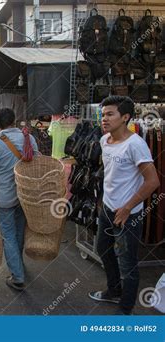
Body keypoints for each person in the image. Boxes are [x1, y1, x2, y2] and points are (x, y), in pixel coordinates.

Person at [89, 96, 159, 315]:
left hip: (129, 214)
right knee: (103, 248)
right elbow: (111, 176)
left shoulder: (136, 144)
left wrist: (128, 207)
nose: (104, 118)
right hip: (108, 209)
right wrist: (103, 201)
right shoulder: (104, 140)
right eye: (103, 114)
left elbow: (153, 181)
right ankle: (114, 290)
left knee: (127, 262)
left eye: (110, 114)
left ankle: (125, 308)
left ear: (126, 117)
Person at [0, 107, 38, 291]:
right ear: (14, 120)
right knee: (20, 232)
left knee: (9, 236)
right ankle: (18, 265)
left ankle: (17, 275)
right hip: (26, 196)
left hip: (6, 198)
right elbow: (37, 164)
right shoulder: (29, 138)